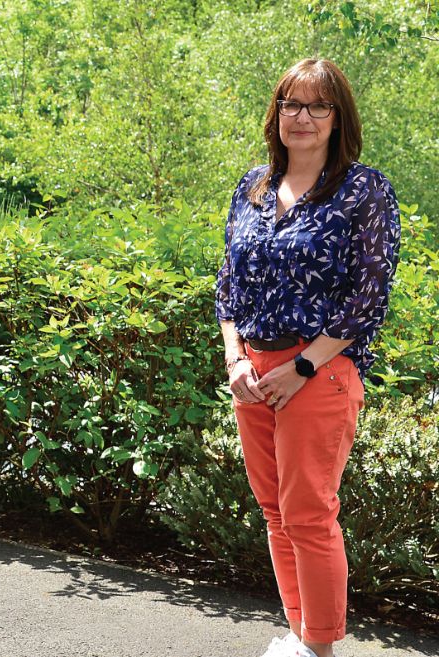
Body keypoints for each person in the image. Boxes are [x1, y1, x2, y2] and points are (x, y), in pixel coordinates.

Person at [215, 58, 400, 657]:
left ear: (338, 118)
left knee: (310, 515)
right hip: (253, 372)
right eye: (292, 103)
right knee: (276, 513)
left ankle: (319, 649)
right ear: (277, 113)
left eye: (319, 106)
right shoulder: (252, 186)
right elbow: (228, 289)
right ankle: (299, 638)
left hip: (317, 372)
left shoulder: (364, 192)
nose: (303, 117)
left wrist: (300, 369)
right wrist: (235, 359)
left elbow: (367, 299)